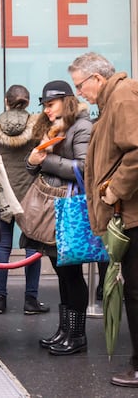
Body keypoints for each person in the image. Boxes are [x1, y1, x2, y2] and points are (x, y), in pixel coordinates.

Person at [69, 52, 138, 388]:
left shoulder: (122, 98)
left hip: (131, 213)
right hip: (128, 214)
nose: (80, 93)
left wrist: (115, 190)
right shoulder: (114, 101)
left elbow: (136, 151)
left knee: (136, 292)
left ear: (97, 78)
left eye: (80, 85)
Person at [23, 80, 92, 356]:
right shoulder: (53, 126)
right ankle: (65, 331)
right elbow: (33, 168)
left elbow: (85, 168)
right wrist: (33, 160)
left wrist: (46, 161)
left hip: (68, 209)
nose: (47, 110)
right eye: (45, 106)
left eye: (51, 105)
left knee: (71, 274)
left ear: (66, 100)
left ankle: (77, 335)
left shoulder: (82, 126)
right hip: (52, 208)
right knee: (62, 273)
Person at [0, 85, 49, 315]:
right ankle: (31, 300)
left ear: (6, 101)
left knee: (3, 246)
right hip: (31, 193)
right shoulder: (38, 126)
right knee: (33, 246)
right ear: (28, 102)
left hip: (3, 193)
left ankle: (0, 299)